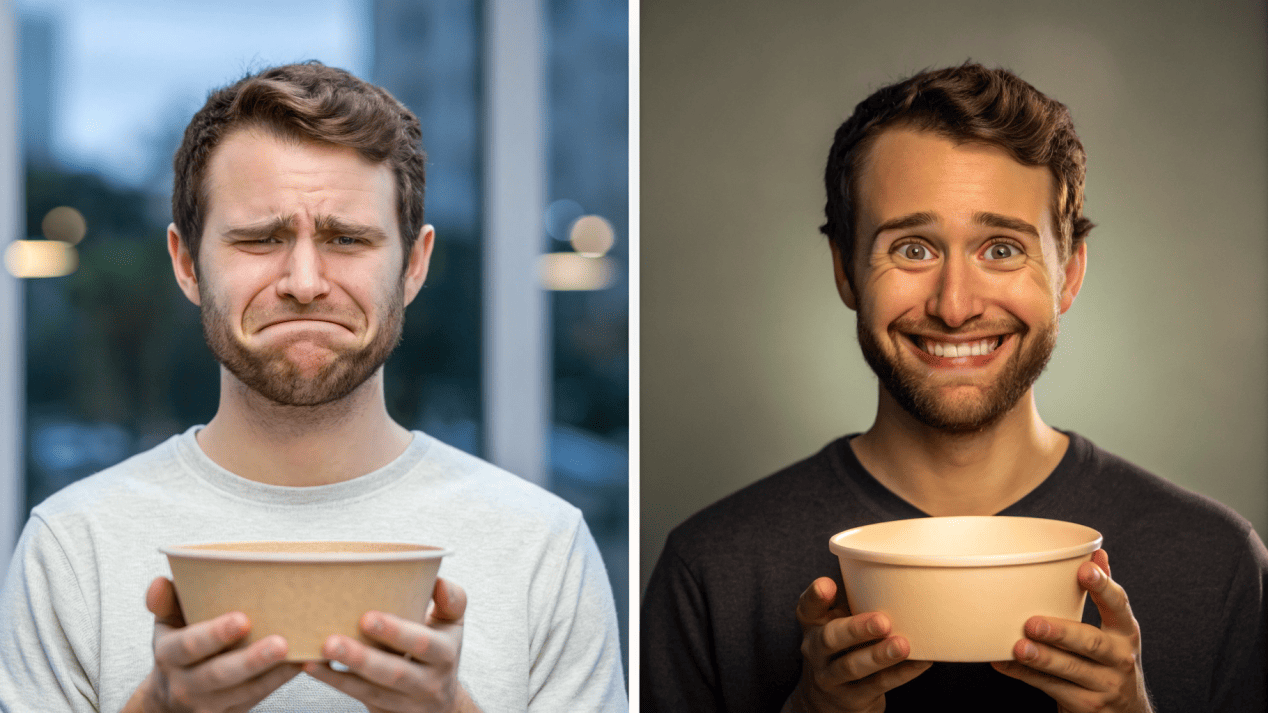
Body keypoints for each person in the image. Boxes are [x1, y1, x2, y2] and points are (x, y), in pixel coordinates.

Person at [0, 62, 626, 713]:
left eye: (347, 238)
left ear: (413, 266)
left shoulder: (543, 546)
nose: (304, 280)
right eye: (261, 238)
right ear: (187, 264)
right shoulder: (72, 546)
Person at [641, 63, 1268, 712]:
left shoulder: (1218, 563)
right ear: (846, 270)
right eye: (913, 249)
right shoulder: (710, 570)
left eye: (1001, 249)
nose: (955, 305)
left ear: (1069, 273)